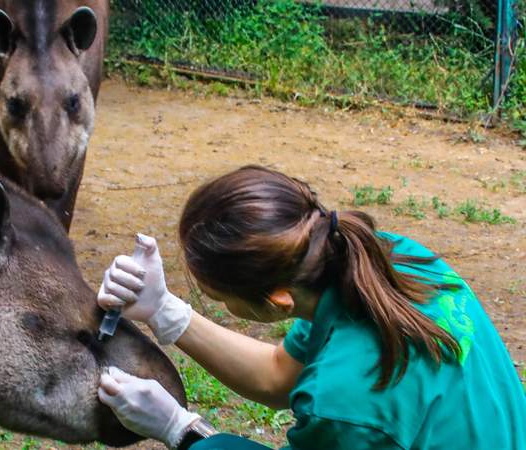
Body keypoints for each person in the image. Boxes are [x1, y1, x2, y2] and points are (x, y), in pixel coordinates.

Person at [95, 165, 526, 450]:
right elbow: (279, 373)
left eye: (220, 297)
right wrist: (163, 310)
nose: (217, 301)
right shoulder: (393, 260)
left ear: (279, 299)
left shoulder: (343, 402)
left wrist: (181, 430)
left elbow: (339, 397)